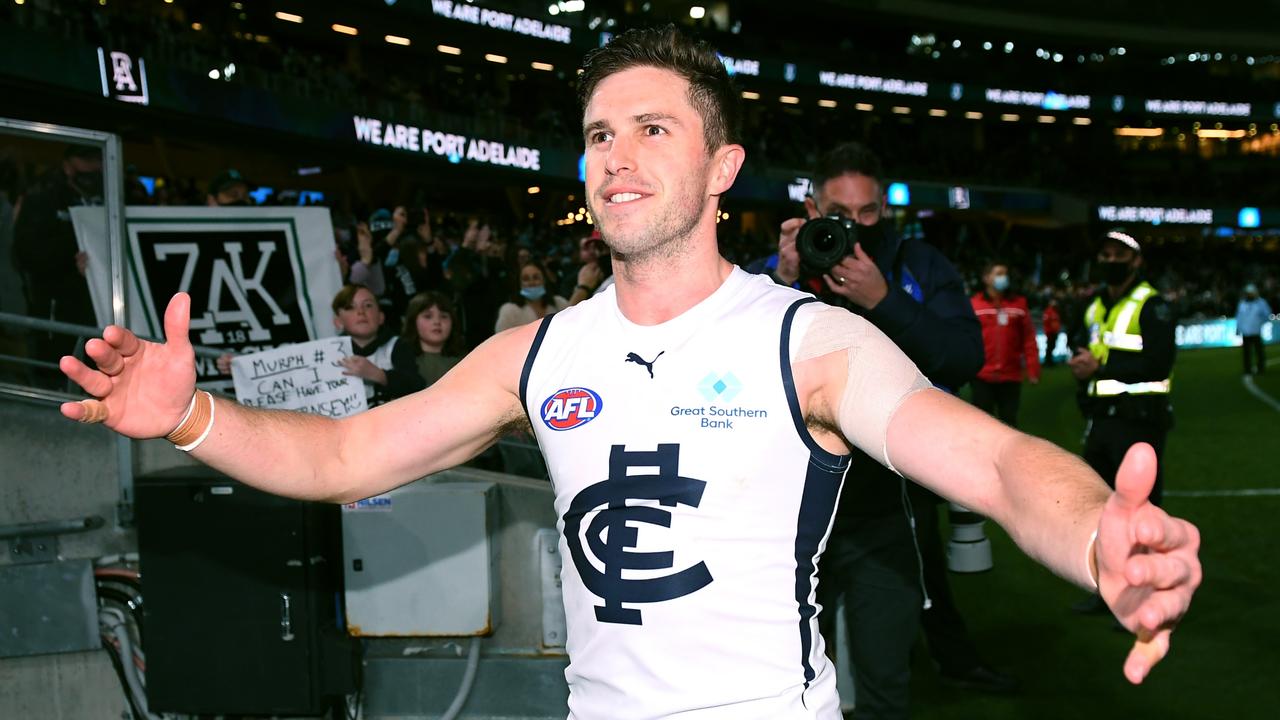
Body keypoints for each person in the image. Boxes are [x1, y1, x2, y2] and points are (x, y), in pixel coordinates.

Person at [61, 27, 1199, 720]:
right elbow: (346, 454)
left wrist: (1098, 531)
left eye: (654, 129)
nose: (615, 154)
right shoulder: (540, 353)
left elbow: (993, 464)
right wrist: (195, 416)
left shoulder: (806, 341)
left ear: (724, 169)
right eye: (600, 132)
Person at [769, 143, 1013, 714]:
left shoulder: (918, 266)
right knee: (789, 680)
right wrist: (781, 282)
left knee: (886, 678)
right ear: (809, 208)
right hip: (796, 514)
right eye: (837, 214)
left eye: (868, 213)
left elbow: (963, 355)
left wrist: (885, 300)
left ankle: (948, 657)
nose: (853, 228)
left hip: (890, 510)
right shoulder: (778, 270)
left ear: (885, 207)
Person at [1068, 229, 1177, 614]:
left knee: (1140, 513)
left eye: (1119, 255)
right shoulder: (1094, 304)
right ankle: (1108, 591)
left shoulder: (1153, 305)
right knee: (1103, 510)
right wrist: (1081, 368)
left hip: (1140, 421)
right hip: (1102, 420)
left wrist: (1100, 367)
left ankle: (1145, 595)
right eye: (1105, 254)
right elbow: (1081, 342)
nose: (1110, 261)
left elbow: (1159, 363)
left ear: (1137, 261)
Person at [11, 144, 102, 383]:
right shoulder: (42, 195)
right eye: (86, 159)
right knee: (54, 373)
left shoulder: (108, 194)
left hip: (98, 308)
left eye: (97, 159)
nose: (93, 166)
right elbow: (25, 254)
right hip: (54, 307)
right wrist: (72, 248)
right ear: (68, 162)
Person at [970, 260, 1040, 428]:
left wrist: (1033, 368)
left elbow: (1029, 338)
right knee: (981, 425)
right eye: (999, 273)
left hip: (1011, 376)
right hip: (982, 376)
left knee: (1009, 425)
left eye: (1005, 274)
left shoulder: (1019, 304)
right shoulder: (974, 305)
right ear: (986, 278)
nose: (1004, 278)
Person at [384, 291, 464, 399]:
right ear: (413, 321)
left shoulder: (464, 362)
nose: (437, 322)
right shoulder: (403, 362)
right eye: (428, 316)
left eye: (444, 316)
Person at [493, 259, 569, 333]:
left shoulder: (560, 303)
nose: (531, 282)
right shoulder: (509, 311)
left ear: (544, 280)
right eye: (526, 279)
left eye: (536, 277)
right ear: (520, 284)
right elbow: (501, 340)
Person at [1236, 283, 1271, 376]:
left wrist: (1260, 322)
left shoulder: (1261, 303)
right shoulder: (1242, 303)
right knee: (1246, 352)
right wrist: (1238, 328)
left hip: (1256, 331)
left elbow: (1267, 314)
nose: (1249, 295)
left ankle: (1261, 368)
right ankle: (1247, 369)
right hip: (1246, 332)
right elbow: (1239, 317)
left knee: (1259, 351)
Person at [1042, 296, 1063, 367]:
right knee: (1049, 347)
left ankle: (1049, 361)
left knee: (1052, 346)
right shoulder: (1048, 311)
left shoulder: (1055, 311)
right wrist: (1048, 330)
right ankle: (1048, 362)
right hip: (1050, 332)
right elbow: (1046, 322)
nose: (1055, 303)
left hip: (1054, 332)